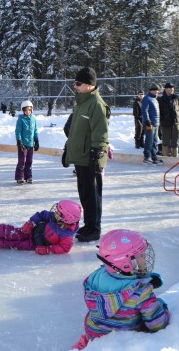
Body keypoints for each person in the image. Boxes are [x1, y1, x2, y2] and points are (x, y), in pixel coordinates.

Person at [72, 229, 170, 350]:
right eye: (141, 255)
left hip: (94, 333)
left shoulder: (95, 277)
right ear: (126, 263)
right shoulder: (141, 292)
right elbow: (157, 324)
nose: (145, 258)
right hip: (121, 343)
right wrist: (162, 307)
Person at [65, 67, 110, 242]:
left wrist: (96, 155)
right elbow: (76, 131)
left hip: (90, 158)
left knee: (92, 194)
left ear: (89, 85)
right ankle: (89, 224)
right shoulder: (82, 103)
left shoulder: (96, 105)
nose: (75, 86)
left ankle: (94, 228)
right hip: (80, 156)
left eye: (78, 83)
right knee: (84, 193)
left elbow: (101, 133)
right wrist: (68, 149)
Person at [0, 200, 81, 254]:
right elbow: (41, 214)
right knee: (11, 232)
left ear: (67, 218)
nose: (55, 212)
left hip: (35, 244)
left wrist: (48, 250)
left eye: (59, 212)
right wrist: (31, 223)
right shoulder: (54, 217)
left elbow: (64, 248)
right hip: (31, 231)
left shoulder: (66, 236)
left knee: (15, 244)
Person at [14, 100, 39, 185]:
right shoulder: (21, 119)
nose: (27, 111)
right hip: (23, 144)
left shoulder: (33, 118)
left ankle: (28, 176)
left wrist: (37, 140)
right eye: (25, 110)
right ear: (23, 110)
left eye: (29, 110)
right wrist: (19, 141)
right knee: (22, 161)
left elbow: (35, 130)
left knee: (29, 161)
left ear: (31, 110)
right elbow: (18, 131)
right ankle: (20, 177)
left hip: (31, 144)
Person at [158, 82, 179, 158]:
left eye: (172, 88)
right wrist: (162, 119)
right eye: (170, 88)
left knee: (175, 140)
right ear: (166, 89)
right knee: (165, 140)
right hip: (165, 122)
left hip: (175, 122)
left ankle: (175, 157)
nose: (172, 89)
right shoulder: (161, 99)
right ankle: (165, 157)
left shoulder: (177, 97)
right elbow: (159, 110)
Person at [142, 83, 162, 166]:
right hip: (149, 124)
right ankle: (147, 157)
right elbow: (144, 110)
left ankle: (154, 157)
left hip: (155, 123)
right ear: (151, 90)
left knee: (155, 141)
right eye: (155, 90)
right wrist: (147, 120)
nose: (157, 92)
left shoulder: (155, 99)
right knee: (149, 141)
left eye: (158, 90)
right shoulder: (147, 98)